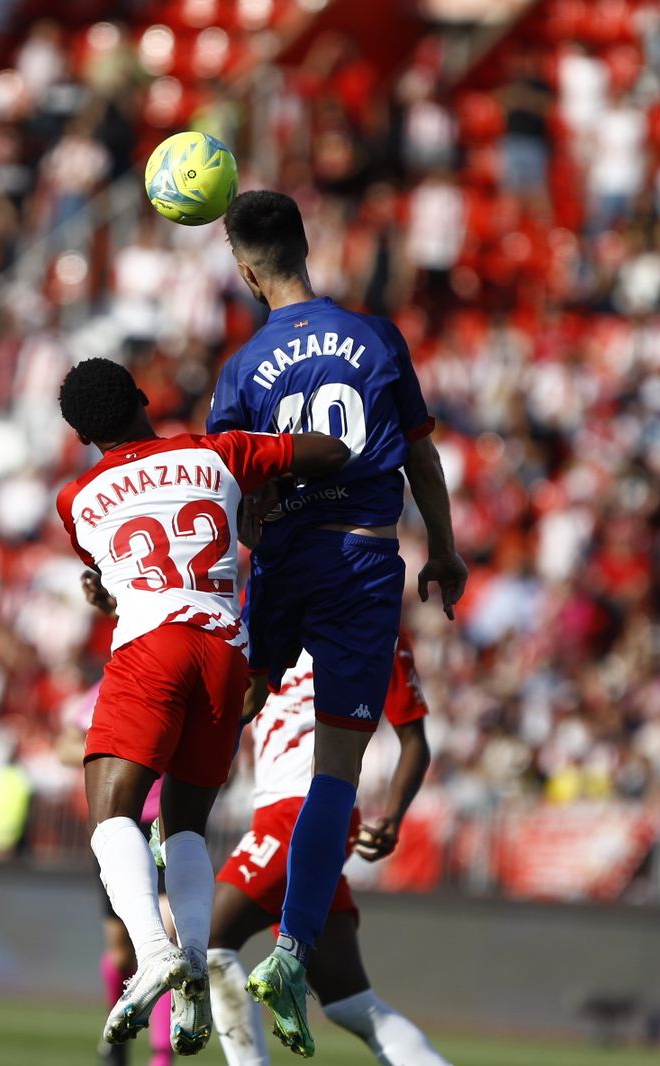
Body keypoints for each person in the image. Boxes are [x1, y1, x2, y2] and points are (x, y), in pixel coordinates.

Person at [207, 190, 467, 1056]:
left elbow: (234, 498)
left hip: (284, 564)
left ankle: (159, 894)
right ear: (306, 247)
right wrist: (445, 550)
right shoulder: (376, 338)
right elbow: (420, 452)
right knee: (338, 769)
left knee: (230, 706)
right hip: (363, 558)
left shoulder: (243, 369)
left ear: (246, 269)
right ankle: (289, 950)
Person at [55, 357, 351, 1053]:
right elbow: (330, 450)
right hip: (224, 653)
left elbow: (118, 577)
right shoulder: (213, 452)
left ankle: (154, 952)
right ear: (141, 398)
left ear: (80, 436)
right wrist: (270, 470)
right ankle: (190, 958)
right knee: (184, 826)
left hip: (151, 646)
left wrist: (107, 597)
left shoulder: (76, 499)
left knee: (110, 814)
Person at [206, 634, 451, 1066]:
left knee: (208, 938)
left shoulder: (372, 622)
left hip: (302, 810)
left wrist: (393, 817)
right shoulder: (264, 610)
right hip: (276, 812)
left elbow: (414, 740)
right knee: (352, 1004)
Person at [59, 674, 176, 1066]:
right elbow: (65, 745)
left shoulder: (183, 678)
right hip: (118, 824)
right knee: (122, 950)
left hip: (167, 826)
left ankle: (162, 1054)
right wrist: (114, 751)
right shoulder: (112, 684)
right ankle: (119, 1032)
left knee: (165, 932)